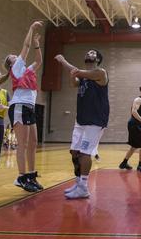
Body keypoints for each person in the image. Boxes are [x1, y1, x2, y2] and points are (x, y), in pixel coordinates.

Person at [55, 49, 109, 199]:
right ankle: (78, 183)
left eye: (92, 53)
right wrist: (73, 76)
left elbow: (77, 71)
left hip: (95, 120)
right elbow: (74, 83)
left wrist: (63, 61)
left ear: (98, 59)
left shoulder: (100, 73)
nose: (89, 53)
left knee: (85, 153)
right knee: (74, 152)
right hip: (81, 120)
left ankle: (84, 188)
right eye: (88, 52)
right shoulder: (83, 77)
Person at [4, 21, 43, 192]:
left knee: (33, 142)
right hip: (19, 106)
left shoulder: (26, 70)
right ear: (11, 63)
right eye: (13, 56)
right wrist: (31, 28)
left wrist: (37, 45)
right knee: (23, 143)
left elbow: (39, 61)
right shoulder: (17, 67)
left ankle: (31, 175)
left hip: (29, 107)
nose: (16, 55)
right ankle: (21, 177)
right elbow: (25, 46)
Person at [119, 85, 141, 173]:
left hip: (135, 125)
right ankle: (140, 166)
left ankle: (124, 163)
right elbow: (134, 111)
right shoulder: (139, 99)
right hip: (133, 125)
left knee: (134, 146)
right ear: (140, 91)